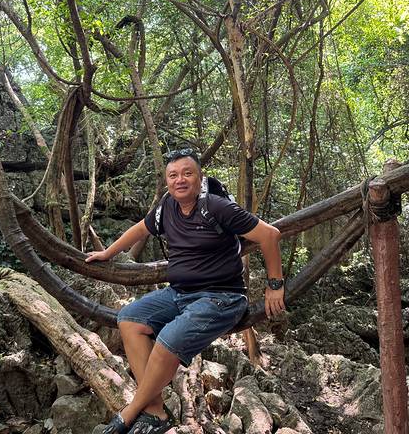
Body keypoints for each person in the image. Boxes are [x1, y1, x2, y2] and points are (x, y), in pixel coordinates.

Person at [86, 149, 285, 434]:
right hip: (179, 293)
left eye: (187, 173)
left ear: (199, 178)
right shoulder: (167, 206)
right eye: (173, 175)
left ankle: (129, 413)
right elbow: (140, 229)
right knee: (129, 318)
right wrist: (108, 253)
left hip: (222, 297)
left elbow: (269, 235)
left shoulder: (216, 207)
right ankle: (155, 412)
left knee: (167, 339)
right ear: (167, 181)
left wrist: (274, 285)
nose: (180, 180)